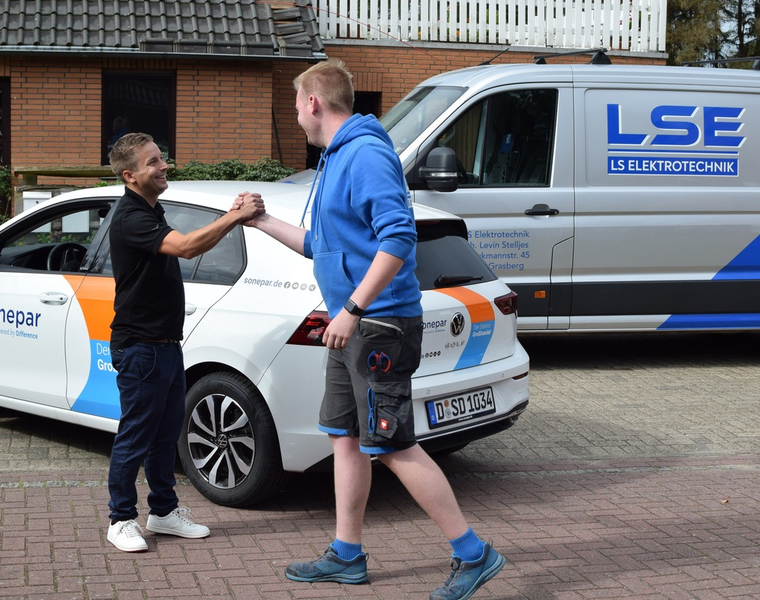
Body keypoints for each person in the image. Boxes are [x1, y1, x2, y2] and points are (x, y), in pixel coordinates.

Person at [234, 59, 506, 599]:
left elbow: (399, 238)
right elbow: (322, 244)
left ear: (313, 102)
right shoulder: (334, 159)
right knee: (345, 439)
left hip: (378, 326)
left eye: (294, 104)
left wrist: (352, 309)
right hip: (352, 328)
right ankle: (346, 554)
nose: (295, 114)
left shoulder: (366, 154)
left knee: (393, 445)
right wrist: (261, 221)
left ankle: (474, 555)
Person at [105, 132, 264, 552]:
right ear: (130, 175)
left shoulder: (150, 210)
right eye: (153, 162)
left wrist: (231, 216)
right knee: (135, 436)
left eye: (161, 158)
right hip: (140, 348)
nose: (163, 166)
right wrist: (236, 217)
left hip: (164, 346)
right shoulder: (131, 217)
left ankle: (163, 513)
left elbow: (194, 242)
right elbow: (188, 248)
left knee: (164, 435)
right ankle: (121, 519)